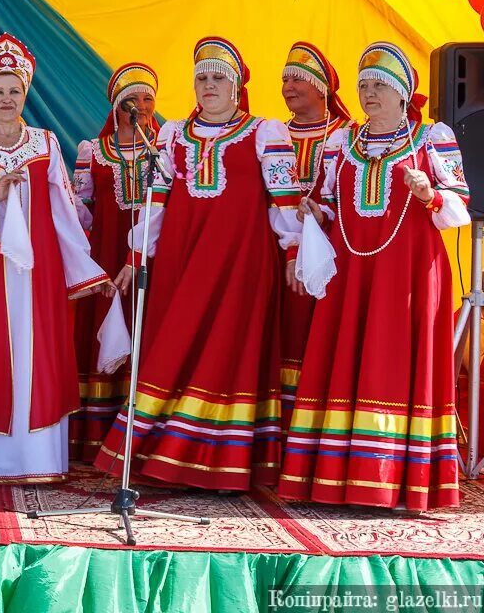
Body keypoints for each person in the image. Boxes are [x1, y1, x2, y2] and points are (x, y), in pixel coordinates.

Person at [95, 36, 301, 491]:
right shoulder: (173, 135)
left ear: (236, 86)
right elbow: (157, 201)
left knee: (230, 350)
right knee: (173, 346)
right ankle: (161, 460)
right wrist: (135, 255)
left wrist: (292, 251)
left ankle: (218, 466)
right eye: (201, 78)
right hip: (181, 260)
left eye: (217, 78)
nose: (208, 86)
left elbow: (284, 201)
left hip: (241, 263)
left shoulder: (265, 132)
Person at [279, 42, 469, 511]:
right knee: (343, 358)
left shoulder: (431, 138)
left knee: (394, 360)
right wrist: (314, 210)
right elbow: (328, 202)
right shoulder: (341, 143)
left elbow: (461, 205)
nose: (369, 93)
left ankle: (390, 481)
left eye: (380, 84)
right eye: (364, 84)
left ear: (404, 93)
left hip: (409, 274)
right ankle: (335, 476)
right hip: (351, 276)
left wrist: (430, 193)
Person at [0, 34, 111, 485]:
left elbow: (64, 210)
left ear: (25, 95)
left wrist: (83, 269)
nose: (7, 99)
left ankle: (35, 457)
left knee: (36, 352)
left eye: (14, 90)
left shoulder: (45, 143)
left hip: (38, 270)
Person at [71, 63, 158, 462]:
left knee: (150, 329)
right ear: (115, 107)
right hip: (105, 255)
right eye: (130, 101)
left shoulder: (166, 149)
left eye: (147, 99)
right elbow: (80, 212)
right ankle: (96, 436)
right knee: (101, 329)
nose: (139, 107)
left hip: (153, 255)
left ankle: (141, 435)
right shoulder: (93, 151)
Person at [277, 43, 352, 421]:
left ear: (321, 87)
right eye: (285, 80)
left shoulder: (347, 134)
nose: (288, 86)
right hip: (278, 248)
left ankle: (316, 419)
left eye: (297, 79)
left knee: (320, 331)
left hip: (332, 250)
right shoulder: (272, 134)